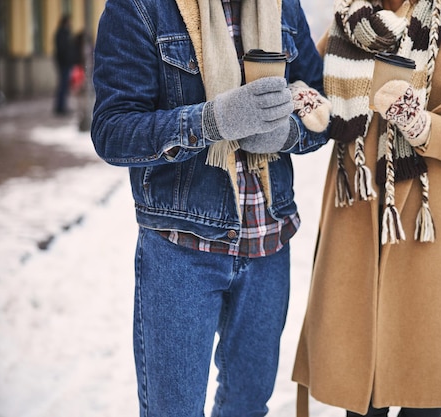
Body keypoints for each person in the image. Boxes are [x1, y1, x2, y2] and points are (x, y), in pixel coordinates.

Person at [91, 0, 330, 416]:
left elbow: (322, 103)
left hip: (268, 243)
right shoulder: (139, 7)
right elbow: (112, 130)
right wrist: (210, 122)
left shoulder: (282, 6)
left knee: (248, 407)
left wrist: (289, 134)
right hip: (181, 252)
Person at [292, 0, 441, 416]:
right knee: (360, 396)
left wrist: (423, 125)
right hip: (357, 227)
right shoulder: (345, 28)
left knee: (423, 397)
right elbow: (308, 91)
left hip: (430, 241)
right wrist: (307, 105)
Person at [53, 14, 74, 115]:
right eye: (69, 21)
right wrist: (67, 60)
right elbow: (63, 50)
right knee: (63, 86)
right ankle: (60, 107)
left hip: (65, 63)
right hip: (64, 64)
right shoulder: (63, 33)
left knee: (64, 86)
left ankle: (61, 106)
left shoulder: (64, 33)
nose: (71, 23)